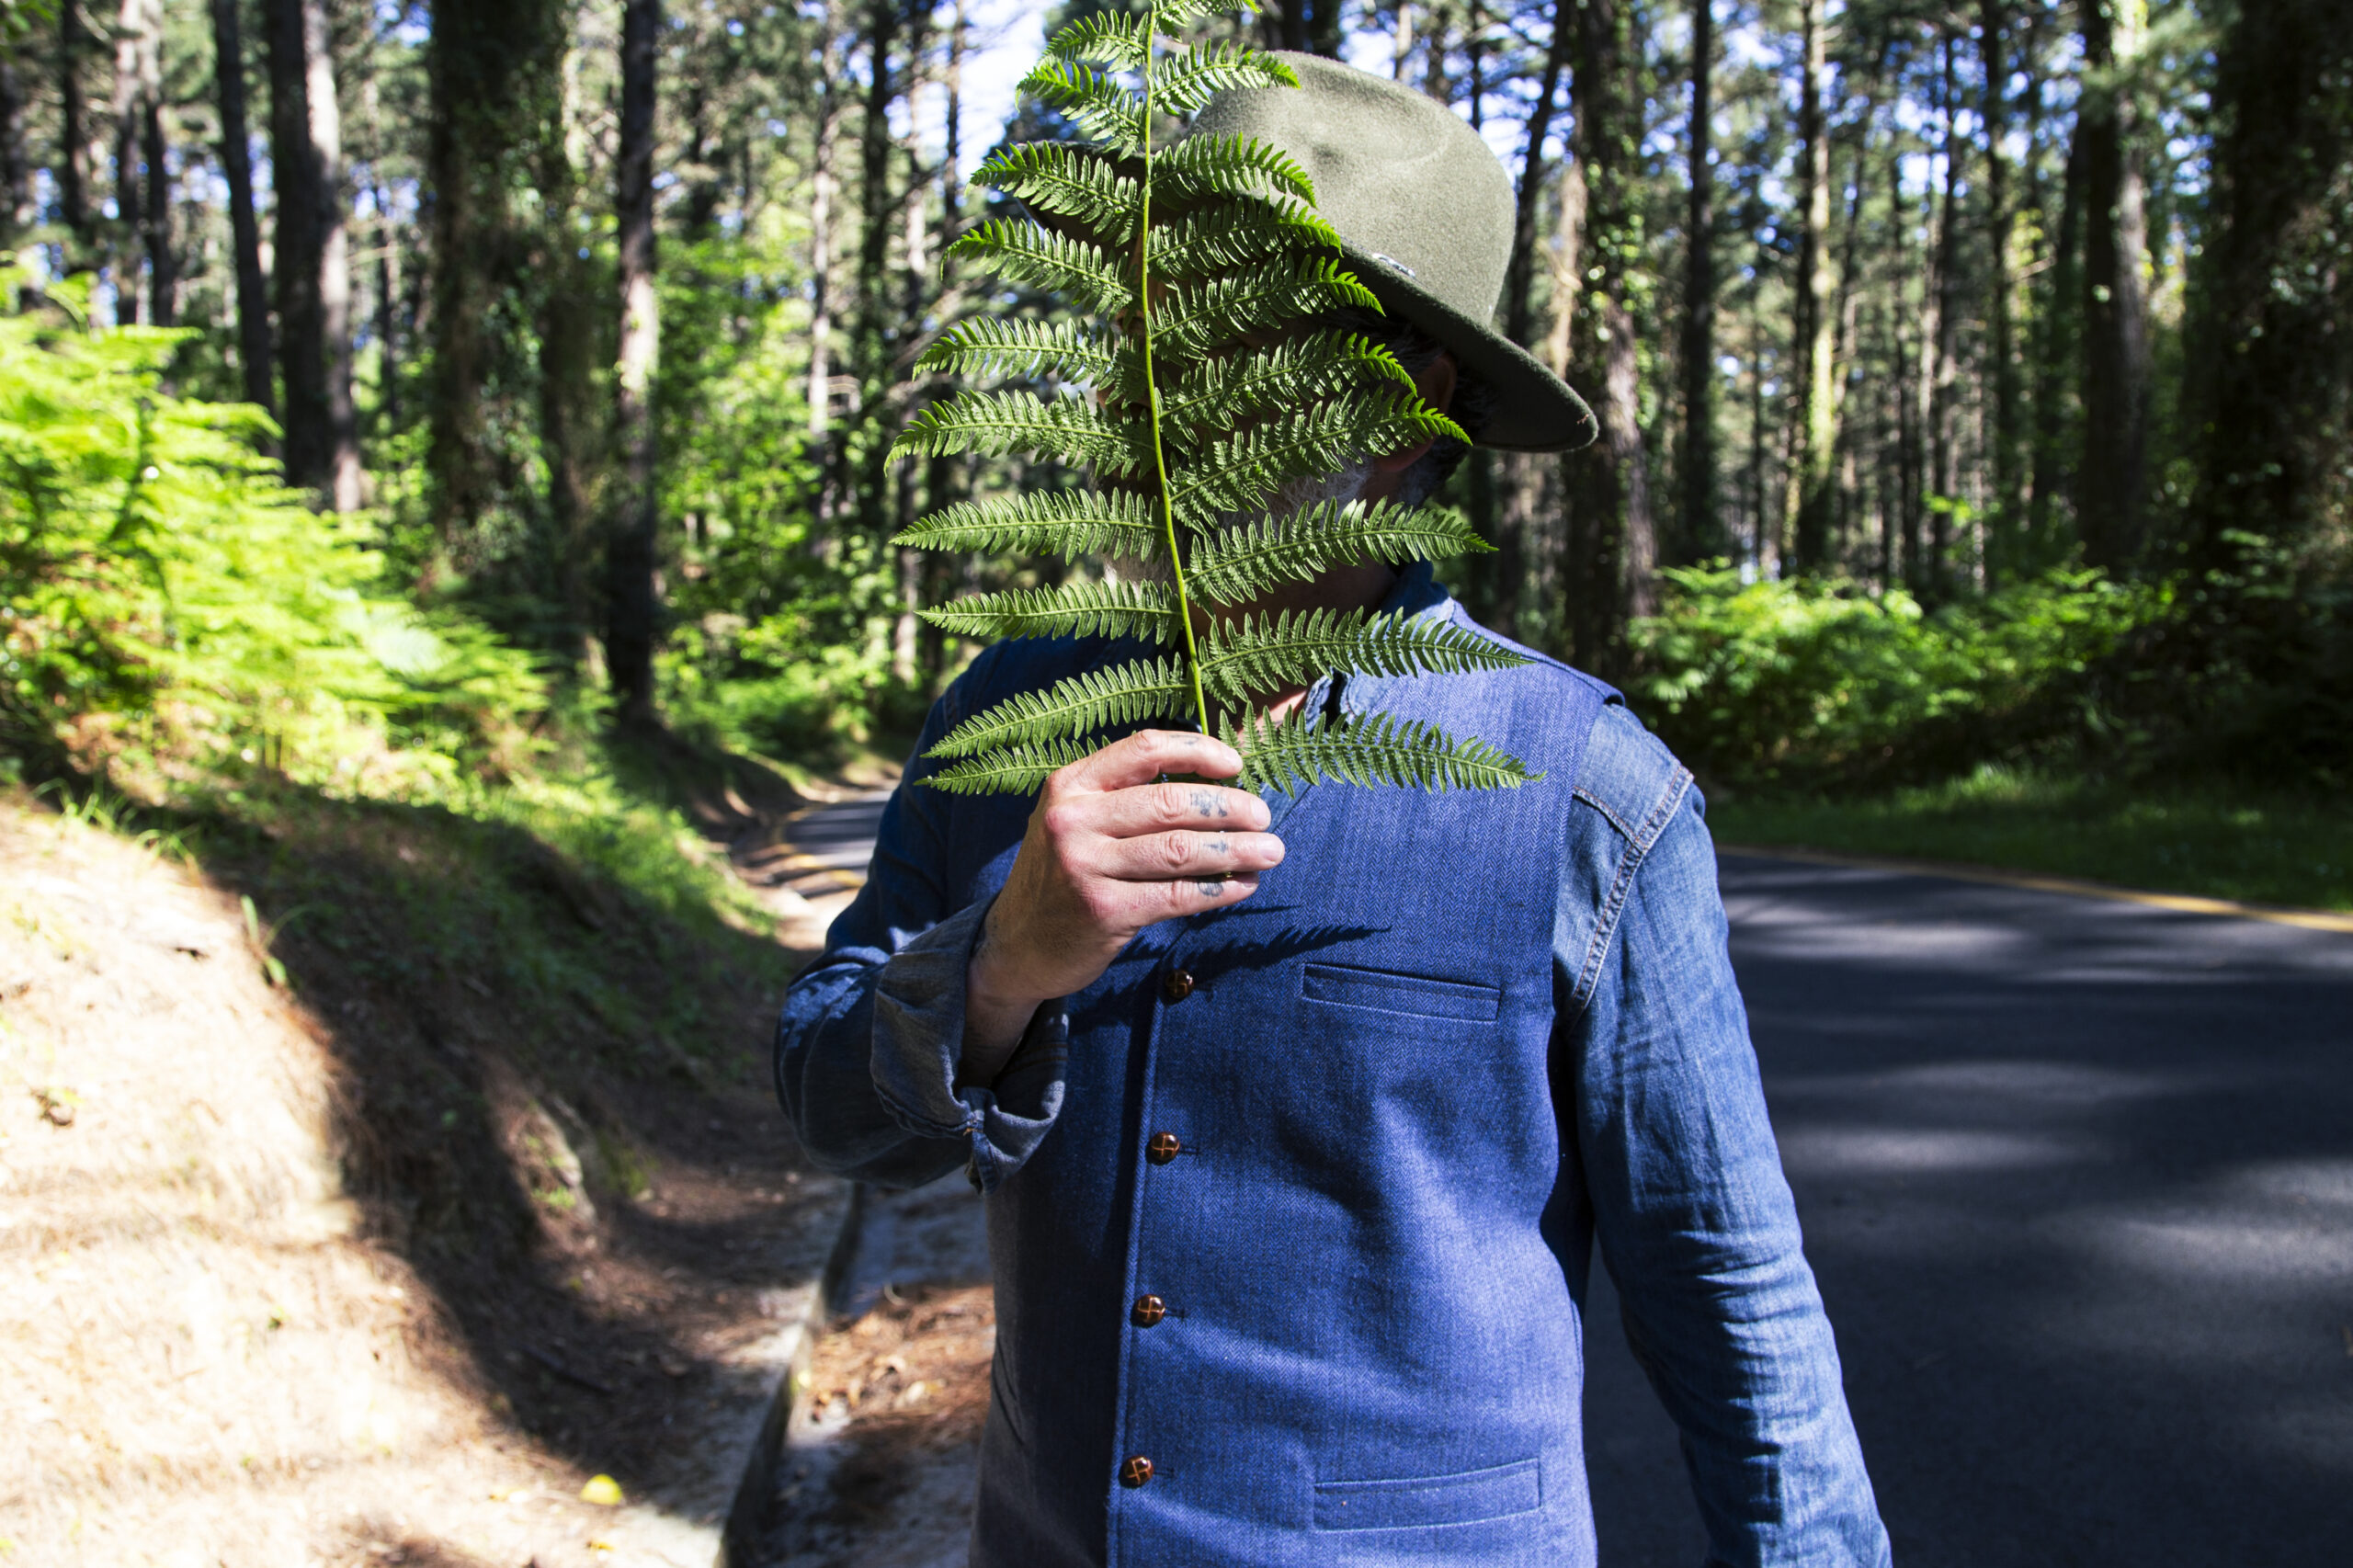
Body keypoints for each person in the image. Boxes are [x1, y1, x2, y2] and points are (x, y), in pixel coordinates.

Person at [776, 52, 1890, 1568]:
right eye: (1152, 327)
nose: (1158, 382)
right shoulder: (1004, 722)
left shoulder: (1585, 792)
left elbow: (1735, 1307)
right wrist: (993, 966)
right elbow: (834, 1106)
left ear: (1411, 395)